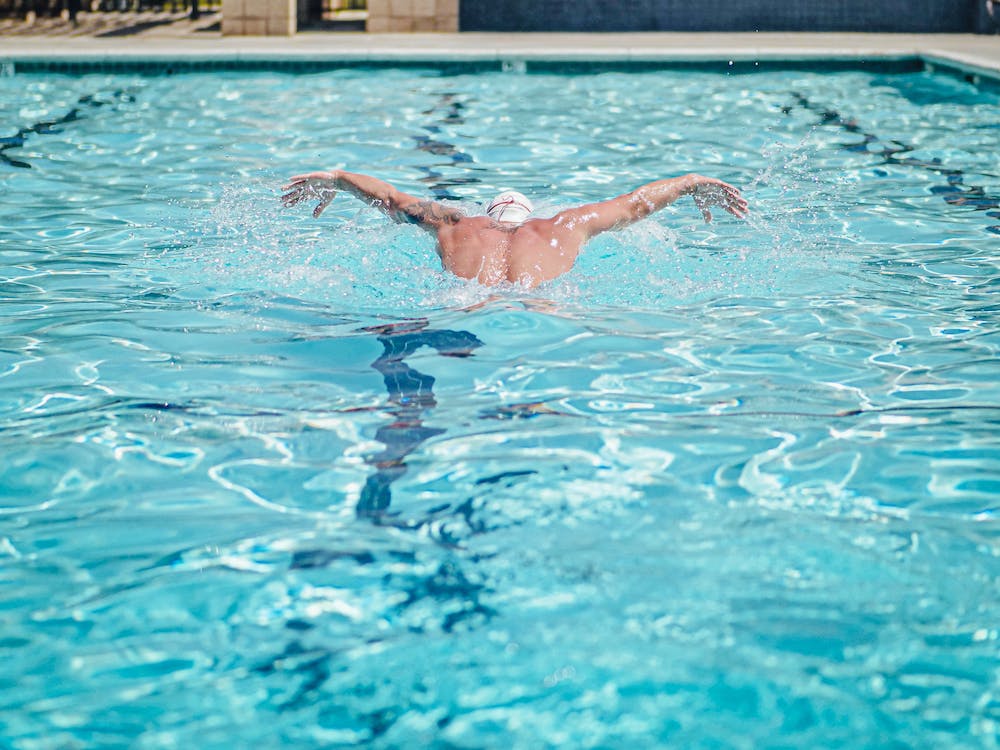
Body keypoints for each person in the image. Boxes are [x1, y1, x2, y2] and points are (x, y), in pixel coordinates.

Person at [281, 170, 748, 288]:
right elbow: (634, 205)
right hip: (547, 310)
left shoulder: (455, 222)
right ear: (526, 216)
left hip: (460, 309)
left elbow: (391, 198)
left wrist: (338, 179)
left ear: (489, 212)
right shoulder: (563, 227)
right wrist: (689, 184)